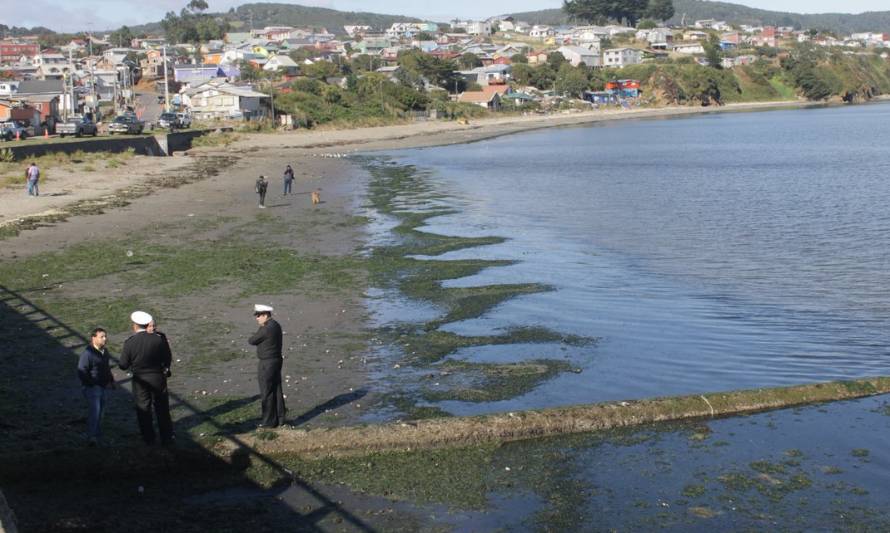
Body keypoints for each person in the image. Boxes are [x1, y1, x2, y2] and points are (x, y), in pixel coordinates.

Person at [118, 311, 175, 445]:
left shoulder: (130, 342)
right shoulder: (159, 339)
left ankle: (148, 438)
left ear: (135, 326)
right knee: (162, 409)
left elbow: (123, 365)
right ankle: (167, 438)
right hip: (158, 377)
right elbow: (167, 358)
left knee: (143, 409)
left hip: (140, 379)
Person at [248, 304, 286, 428]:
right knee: (277, 390)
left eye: (259, 316)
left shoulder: (265, 329)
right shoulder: (276, 325)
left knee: (267, 392)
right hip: (276, 361)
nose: (257, 318)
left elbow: (252, 340)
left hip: (267, 363)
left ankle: (268, 422)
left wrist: (261, 328)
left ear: (265, 315)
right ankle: (280, 418)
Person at [77, 327, 116, 446]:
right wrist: (91, 383)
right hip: (93, 388)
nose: (105, 339)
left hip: (102, 386)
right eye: (102, 337)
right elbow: (81, 370)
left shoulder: (105, 352)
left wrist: (111, 380)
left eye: (105, 336)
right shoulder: (87, 353)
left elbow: (106, 368)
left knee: (100, 412)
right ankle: (92, 436)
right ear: (93, 338)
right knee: (95, 411)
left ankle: (96, 434)